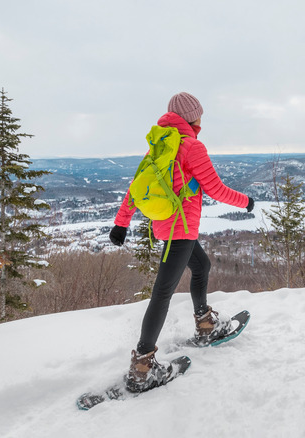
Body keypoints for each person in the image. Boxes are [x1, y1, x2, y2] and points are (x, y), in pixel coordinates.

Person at [109, 92, 255, 392]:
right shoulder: (192, 146)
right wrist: (246, 202)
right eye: (200, 115)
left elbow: (136, 188)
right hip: (182, 229)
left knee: (201, 265)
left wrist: (121, 223)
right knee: (162, 292)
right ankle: (142, 369)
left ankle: (206, 324)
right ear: (194, 117)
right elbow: (214, 188)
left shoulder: (161, 145)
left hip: (167, 225)